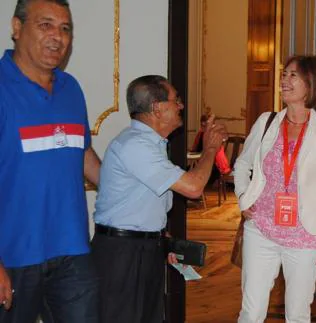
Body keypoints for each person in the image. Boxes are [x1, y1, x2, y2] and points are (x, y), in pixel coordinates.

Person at [91, 75, 227, 323]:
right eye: (176, 100)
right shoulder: (136, 145)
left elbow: (145, 200)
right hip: (122, 253)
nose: (181, 106)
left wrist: (158, 237)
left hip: (143, 248)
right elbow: (194, 188)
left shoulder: (151, 144)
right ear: (157, 107)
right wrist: (210, 149)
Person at [0, 0, 101, 322]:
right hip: (12, 256)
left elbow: (83, 153)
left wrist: (132, 200)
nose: (57, 36)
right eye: (45, 25)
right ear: (17, 28)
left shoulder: (72, 88)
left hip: (72, 250)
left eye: (65, 28)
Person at [234, 55, 316, 322]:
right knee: (250, 312)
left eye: (293, 75)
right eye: (284, 74)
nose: (284, 80)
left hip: (305, 237)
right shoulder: (267, 122)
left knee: (297, 314)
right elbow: (242, 164)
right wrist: (242, 197)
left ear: (311, 84)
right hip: (260, 230)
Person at [191, 114, 231, 183]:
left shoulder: (209, 135)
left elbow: (196, 149)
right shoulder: (203, 134)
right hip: (209, 162)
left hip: (211, 165)